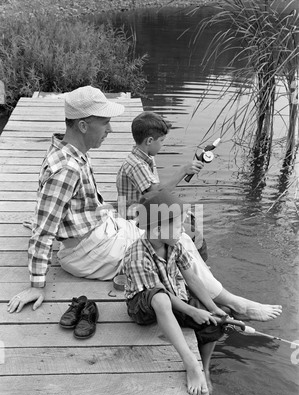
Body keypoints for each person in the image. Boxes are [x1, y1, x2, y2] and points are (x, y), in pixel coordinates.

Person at [7, 85, 282, 330]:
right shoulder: (66, 168)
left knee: (178, 236)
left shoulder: (71, 153)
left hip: (103, 231)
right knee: (175, 244)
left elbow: (60, 207)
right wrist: (36, 285)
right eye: (105, 123)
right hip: (87, 250)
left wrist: (99, 215)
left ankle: (218, 298)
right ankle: (233, 303)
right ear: (82, 125)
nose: (110, 130)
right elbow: (44, 231)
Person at [123, 190, 228, 395]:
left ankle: (204, 368)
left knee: (215, 320)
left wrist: (213, 308)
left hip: (174, 296)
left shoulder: (175, 246)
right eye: (178, 226)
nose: (182, 231)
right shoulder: (137, 255)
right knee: (161, 298)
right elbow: (159, 294)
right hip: (145, 306)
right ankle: (190, 363)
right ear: (158, 228)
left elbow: (192, 279)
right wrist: (191, 311)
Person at [116, 111, 208, 260]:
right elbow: (157, 196)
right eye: (162, 141)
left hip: (144, 211)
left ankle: (190, 264)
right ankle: (198, 269)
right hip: (135, 220)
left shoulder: (144, 160)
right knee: (196, 237)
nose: (162, 145)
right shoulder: (137, 165)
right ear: (150, 141)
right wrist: (184, 170)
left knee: (190, 219)